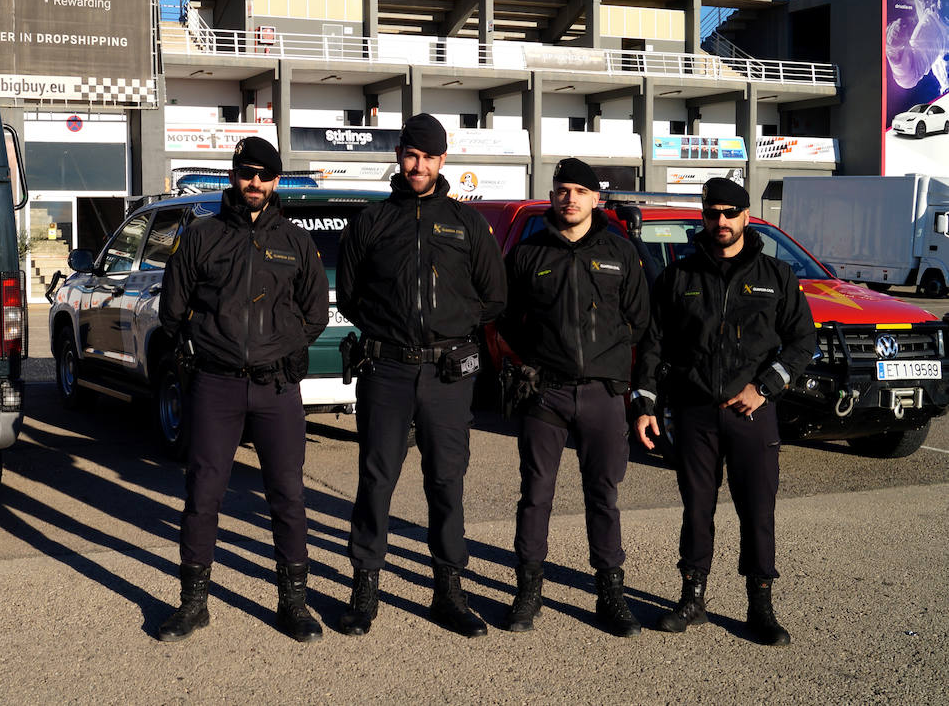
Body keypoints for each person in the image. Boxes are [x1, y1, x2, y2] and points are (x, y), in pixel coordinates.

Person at [336, 113, 507, 637]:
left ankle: (449, 591)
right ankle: (365, 587)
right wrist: (390, 333)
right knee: (376, 480)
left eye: (429, 158)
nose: (418, 166)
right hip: (385, 370)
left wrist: (450, 331)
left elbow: (494, 296)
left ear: (442, 161)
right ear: (399, 155)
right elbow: (349, 295)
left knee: (446, 482)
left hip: (448, 376)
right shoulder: (371, 221)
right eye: (411, 155)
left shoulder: (467, 224)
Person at [156, 137, 329, 643]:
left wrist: (285, 345)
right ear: (234, 175)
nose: (255, 182)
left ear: (276, 181)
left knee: (288, 494)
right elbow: (173, 309)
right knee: (203, 493)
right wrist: (201, 345)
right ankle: (193, 603)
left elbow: (315, 312)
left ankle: (292, 603)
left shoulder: (296, 242)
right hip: (216, 384)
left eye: (265, 174)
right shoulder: (202, 237)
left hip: (277, 386)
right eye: (247, 172)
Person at [632, 177, 816, 646]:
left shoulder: (776, 276)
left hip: (752, 413)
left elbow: (802, 341)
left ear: (746, 216)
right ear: (703, 215)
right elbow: (654, 345)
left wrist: (766, 386)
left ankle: (760, 604)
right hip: (695, 413)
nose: (721, 222)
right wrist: (647, 401)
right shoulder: (679, 277)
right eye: (713, 213)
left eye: (730, 214)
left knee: (757, 510)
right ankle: (692, 598)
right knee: (697, 509)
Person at [498, 158, 650, 637]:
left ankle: (610, 592)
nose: (570, 198)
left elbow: (643, 324)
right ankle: (528, 590)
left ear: (596, 199)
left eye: (580, 191)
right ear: (554, 194)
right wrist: (534, 358)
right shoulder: (528, 252)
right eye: (563, 190)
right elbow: (504, 316)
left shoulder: (620, 251)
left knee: (603, 494)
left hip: (603, 394)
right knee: (535, 494)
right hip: (546, 391)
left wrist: (631, 387)